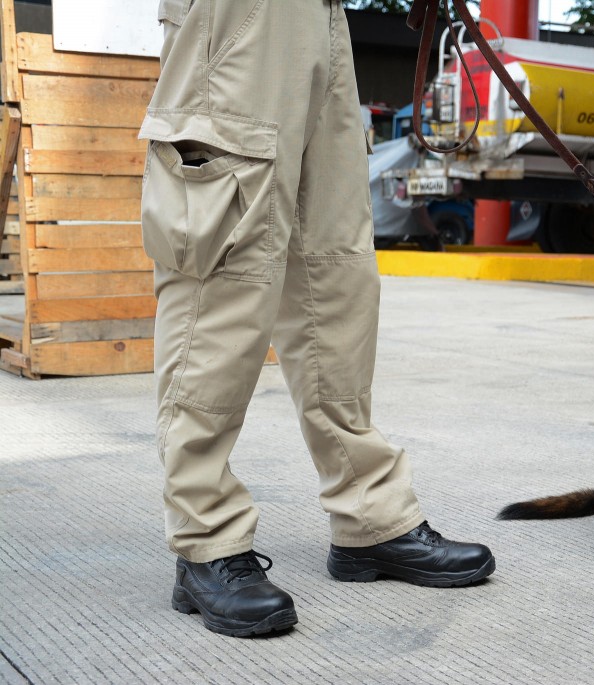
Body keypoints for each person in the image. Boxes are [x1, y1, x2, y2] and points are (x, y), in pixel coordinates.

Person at [139, 0, 494, 638]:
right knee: (225, 258)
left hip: (325, 16)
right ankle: (205, 535)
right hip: (239, 16)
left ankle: (369, 517)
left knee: (334, 271)